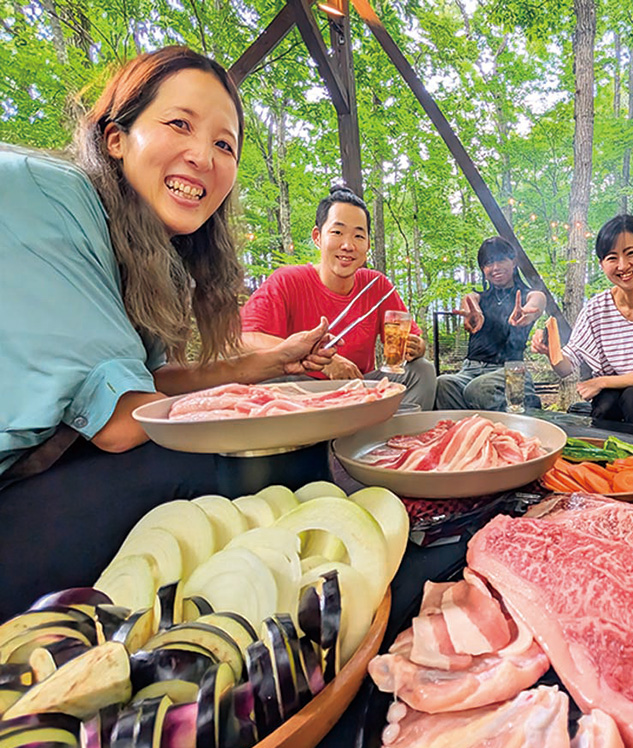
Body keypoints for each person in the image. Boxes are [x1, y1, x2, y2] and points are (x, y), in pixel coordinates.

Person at [0, 47, 336, 617]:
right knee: (244, 460)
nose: (203, 156)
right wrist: (281, 411)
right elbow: (124, 423)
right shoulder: (43, 193)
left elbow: (151, 380)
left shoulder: (144, 251)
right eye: (179, 124)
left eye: (225, 145)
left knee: (273, 451)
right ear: (115, 137)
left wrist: (272, 364)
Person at [240, 186, 436, 411]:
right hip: (305, 393)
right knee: (270, 383)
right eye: (337, 232)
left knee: (422, 371)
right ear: (317, 237)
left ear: (368, 245)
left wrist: (417, 347)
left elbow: (410, 340)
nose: (348, 245)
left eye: (359, 236)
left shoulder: (376, 285)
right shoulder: (287, 280)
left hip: (360, 390)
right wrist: (324, 361)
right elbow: (246, 339)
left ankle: (395, 438)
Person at [531, 214, 633, 426]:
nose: (623, 266)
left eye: (630, 253)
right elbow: (566, 367)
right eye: (612, 258)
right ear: (602, 264)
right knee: (606, 403)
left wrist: (603, 381)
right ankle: (607, 457)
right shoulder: (596, 308)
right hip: (614, 394)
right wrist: (551, 351)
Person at [434, 237, 547, 411]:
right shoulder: (478, 298)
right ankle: (467, 433)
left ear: (514, 261)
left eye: (501, 260)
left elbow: (538, 300)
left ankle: (514, 425)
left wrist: (528, 312)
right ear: (482, 269)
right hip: (470, 370)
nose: (495, 268)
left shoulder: (527, 295)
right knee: (443, 384)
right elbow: (469, 299)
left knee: (479, 388)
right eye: (488, 263)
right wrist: (473, 313)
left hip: (509, 371)